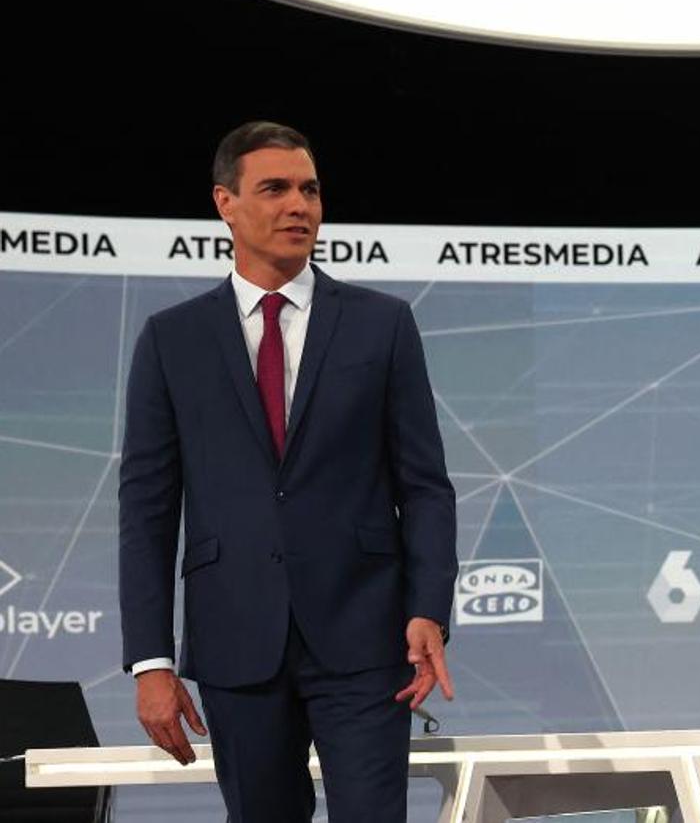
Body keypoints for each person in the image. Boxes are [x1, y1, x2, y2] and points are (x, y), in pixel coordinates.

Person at [119, 121, 458, 823]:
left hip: (366, 636)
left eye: (309, 190)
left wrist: (429, 608)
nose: (298, 205)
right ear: (225, 203)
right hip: (235, 639)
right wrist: (150, 660)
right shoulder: (171, 340)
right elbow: (147, 508)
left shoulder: (382, 325)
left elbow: (424, 485)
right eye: (274, 189)